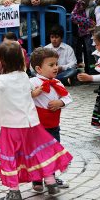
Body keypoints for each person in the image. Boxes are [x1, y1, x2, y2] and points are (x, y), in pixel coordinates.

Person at [0, 42, 72, 200]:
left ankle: (14, 191)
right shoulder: (24, 76)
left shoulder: (3, 79)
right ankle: (51, 182)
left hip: (12, 126)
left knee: (10, 156)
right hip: (31, 124)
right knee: (39, 152)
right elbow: (23, 93)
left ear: (1, 61)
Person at [29, 47, 73, 191]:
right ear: (38, 69)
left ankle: (51, 178)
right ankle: (36, 180)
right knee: (36, 152)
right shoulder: (33, 82)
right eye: (51, 65)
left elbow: (67, 97)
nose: (56, 67)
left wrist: (60, 103)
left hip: (54, 126)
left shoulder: (58, 83)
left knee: (53, 152)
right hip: (37, 127)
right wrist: (33, 94)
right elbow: (23, 96)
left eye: (56, 64)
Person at [72, 0, 100, 74]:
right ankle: (94, 73)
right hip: (88, 33)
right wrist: (87, 21)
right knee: (92, 53)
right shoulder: (82, 3)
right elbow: (74, 16)